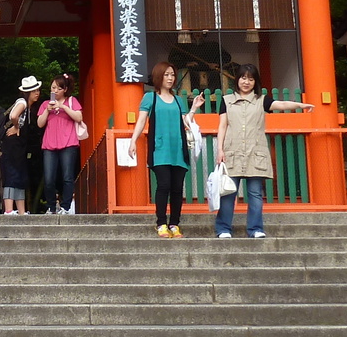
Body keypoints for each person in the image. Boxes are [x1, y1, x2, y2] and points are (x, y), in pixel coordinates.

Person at [215, 64, 314, 239]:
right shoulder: (226, 100)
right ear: (237, 79)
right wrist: (220, 150)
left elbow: (281, 104)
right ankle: (223, 229)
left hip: (255, 152)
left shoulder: (262, 100)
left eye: (251, 79)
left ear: (256, 82)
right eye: (243, 78)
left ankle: (255, 229)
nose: (246, 82)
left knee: (255, 194)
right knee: (228, 192)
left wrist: (301, 104)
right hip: (232, 151)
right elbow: (222, 126)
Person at [127, 62, 204, 237]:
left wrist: (194, 108)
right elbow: (141, 121)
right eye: (166, 75)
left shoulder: (178, 100)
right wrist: (133, 141)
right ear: (158, 76)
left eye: (172, 75)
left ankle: (174, 224)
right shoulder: (150, 98)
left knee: (177, 188)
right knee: (163, 185)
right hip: (160, 149)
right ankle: (161, 223)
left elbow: (186, 122)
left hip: (178, 148)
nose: (170, 78)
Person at [36, 73, 84, 214]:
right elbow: (40, 124)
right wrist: (47, 110)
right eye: (52, 88)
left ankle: (66, 207)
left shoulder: (71, 101)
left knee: (67, 177)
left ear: (65, 89)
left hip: (68, 143)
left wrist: (63, 107)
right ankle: (51, 207)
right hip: (49, 144)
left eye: (58, 88)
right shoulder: (46, 104)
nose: (54, 91)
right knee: (49, 178)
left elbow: (79, 117)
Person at [1, 76, 43, 213]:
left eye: (38, 90)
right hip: (12, 145)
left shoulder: (29, 107)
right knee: (12, 175)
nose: (37, 93)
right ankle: (8, 210)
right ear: (27, 92)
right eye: (34, 90)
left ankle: (21, 211)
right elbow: (14, 115)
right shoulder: (22, 102)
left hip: (19, 147)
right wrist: (16, 127)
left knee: (20, 176)